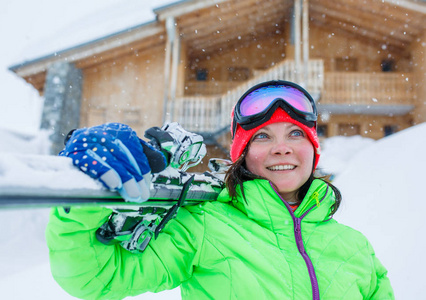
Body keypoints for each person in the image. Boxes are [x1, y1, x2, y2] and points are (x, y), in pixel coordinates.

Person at [46, 80, 394, 299]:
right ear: (242, 154)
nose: (282, 148)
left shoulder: (355, 247)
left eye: (295, 134)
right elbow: (95, 279)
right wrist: (86, 193)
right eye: (262, 137)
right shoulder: (204, 227)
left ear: (313, 148)